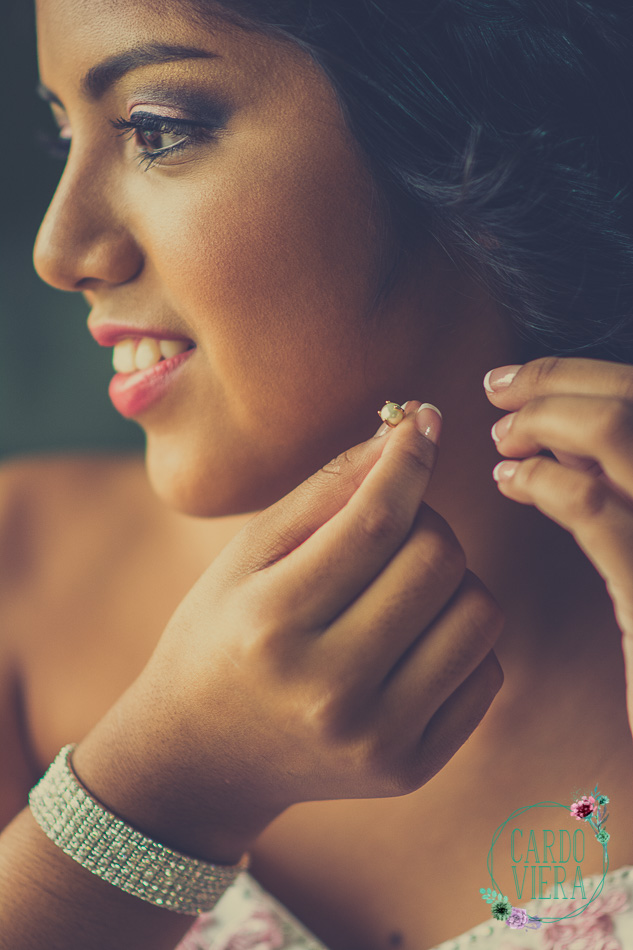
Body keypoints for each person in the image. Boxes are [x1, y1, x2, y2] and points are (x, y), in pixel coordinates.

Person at [2, 0, 633, 947]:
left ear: (471, 146)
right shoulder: (18, 577)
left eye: (154, 129)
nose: (60, 251)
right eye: (63, 136)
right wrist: (163, 788)